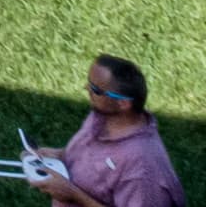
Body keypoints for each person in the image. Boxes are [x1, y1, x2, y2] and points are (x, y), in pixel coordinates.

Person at [45, 56, 184, 207]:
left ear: (123, 103)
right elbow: (93, 157)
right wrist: (58, 155)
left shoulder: (142, 168)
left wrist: (72, 194)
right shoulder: (103, 116)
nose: (87, 89)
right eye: (90, 84)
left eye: (96, 90)